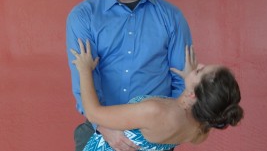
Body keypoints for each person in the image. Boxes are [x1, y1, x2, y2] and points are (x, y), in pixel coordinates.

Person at [66, 0, 192, 150]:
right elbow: (83, 82)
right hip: (101, 131)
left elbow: (183, 82)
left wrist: (164, 133)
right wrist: (107, 130)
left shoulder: (172, 17)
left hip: (155, 135)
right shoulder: (84, 17)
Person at [70, 39, 244, 151]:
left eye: (200, 71)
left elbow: (93, 113)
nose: (200, 64)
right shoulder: (201, 128)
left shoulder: (155, 111)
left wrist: (84, 70)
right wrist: (190, 81)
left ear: (193, 96)